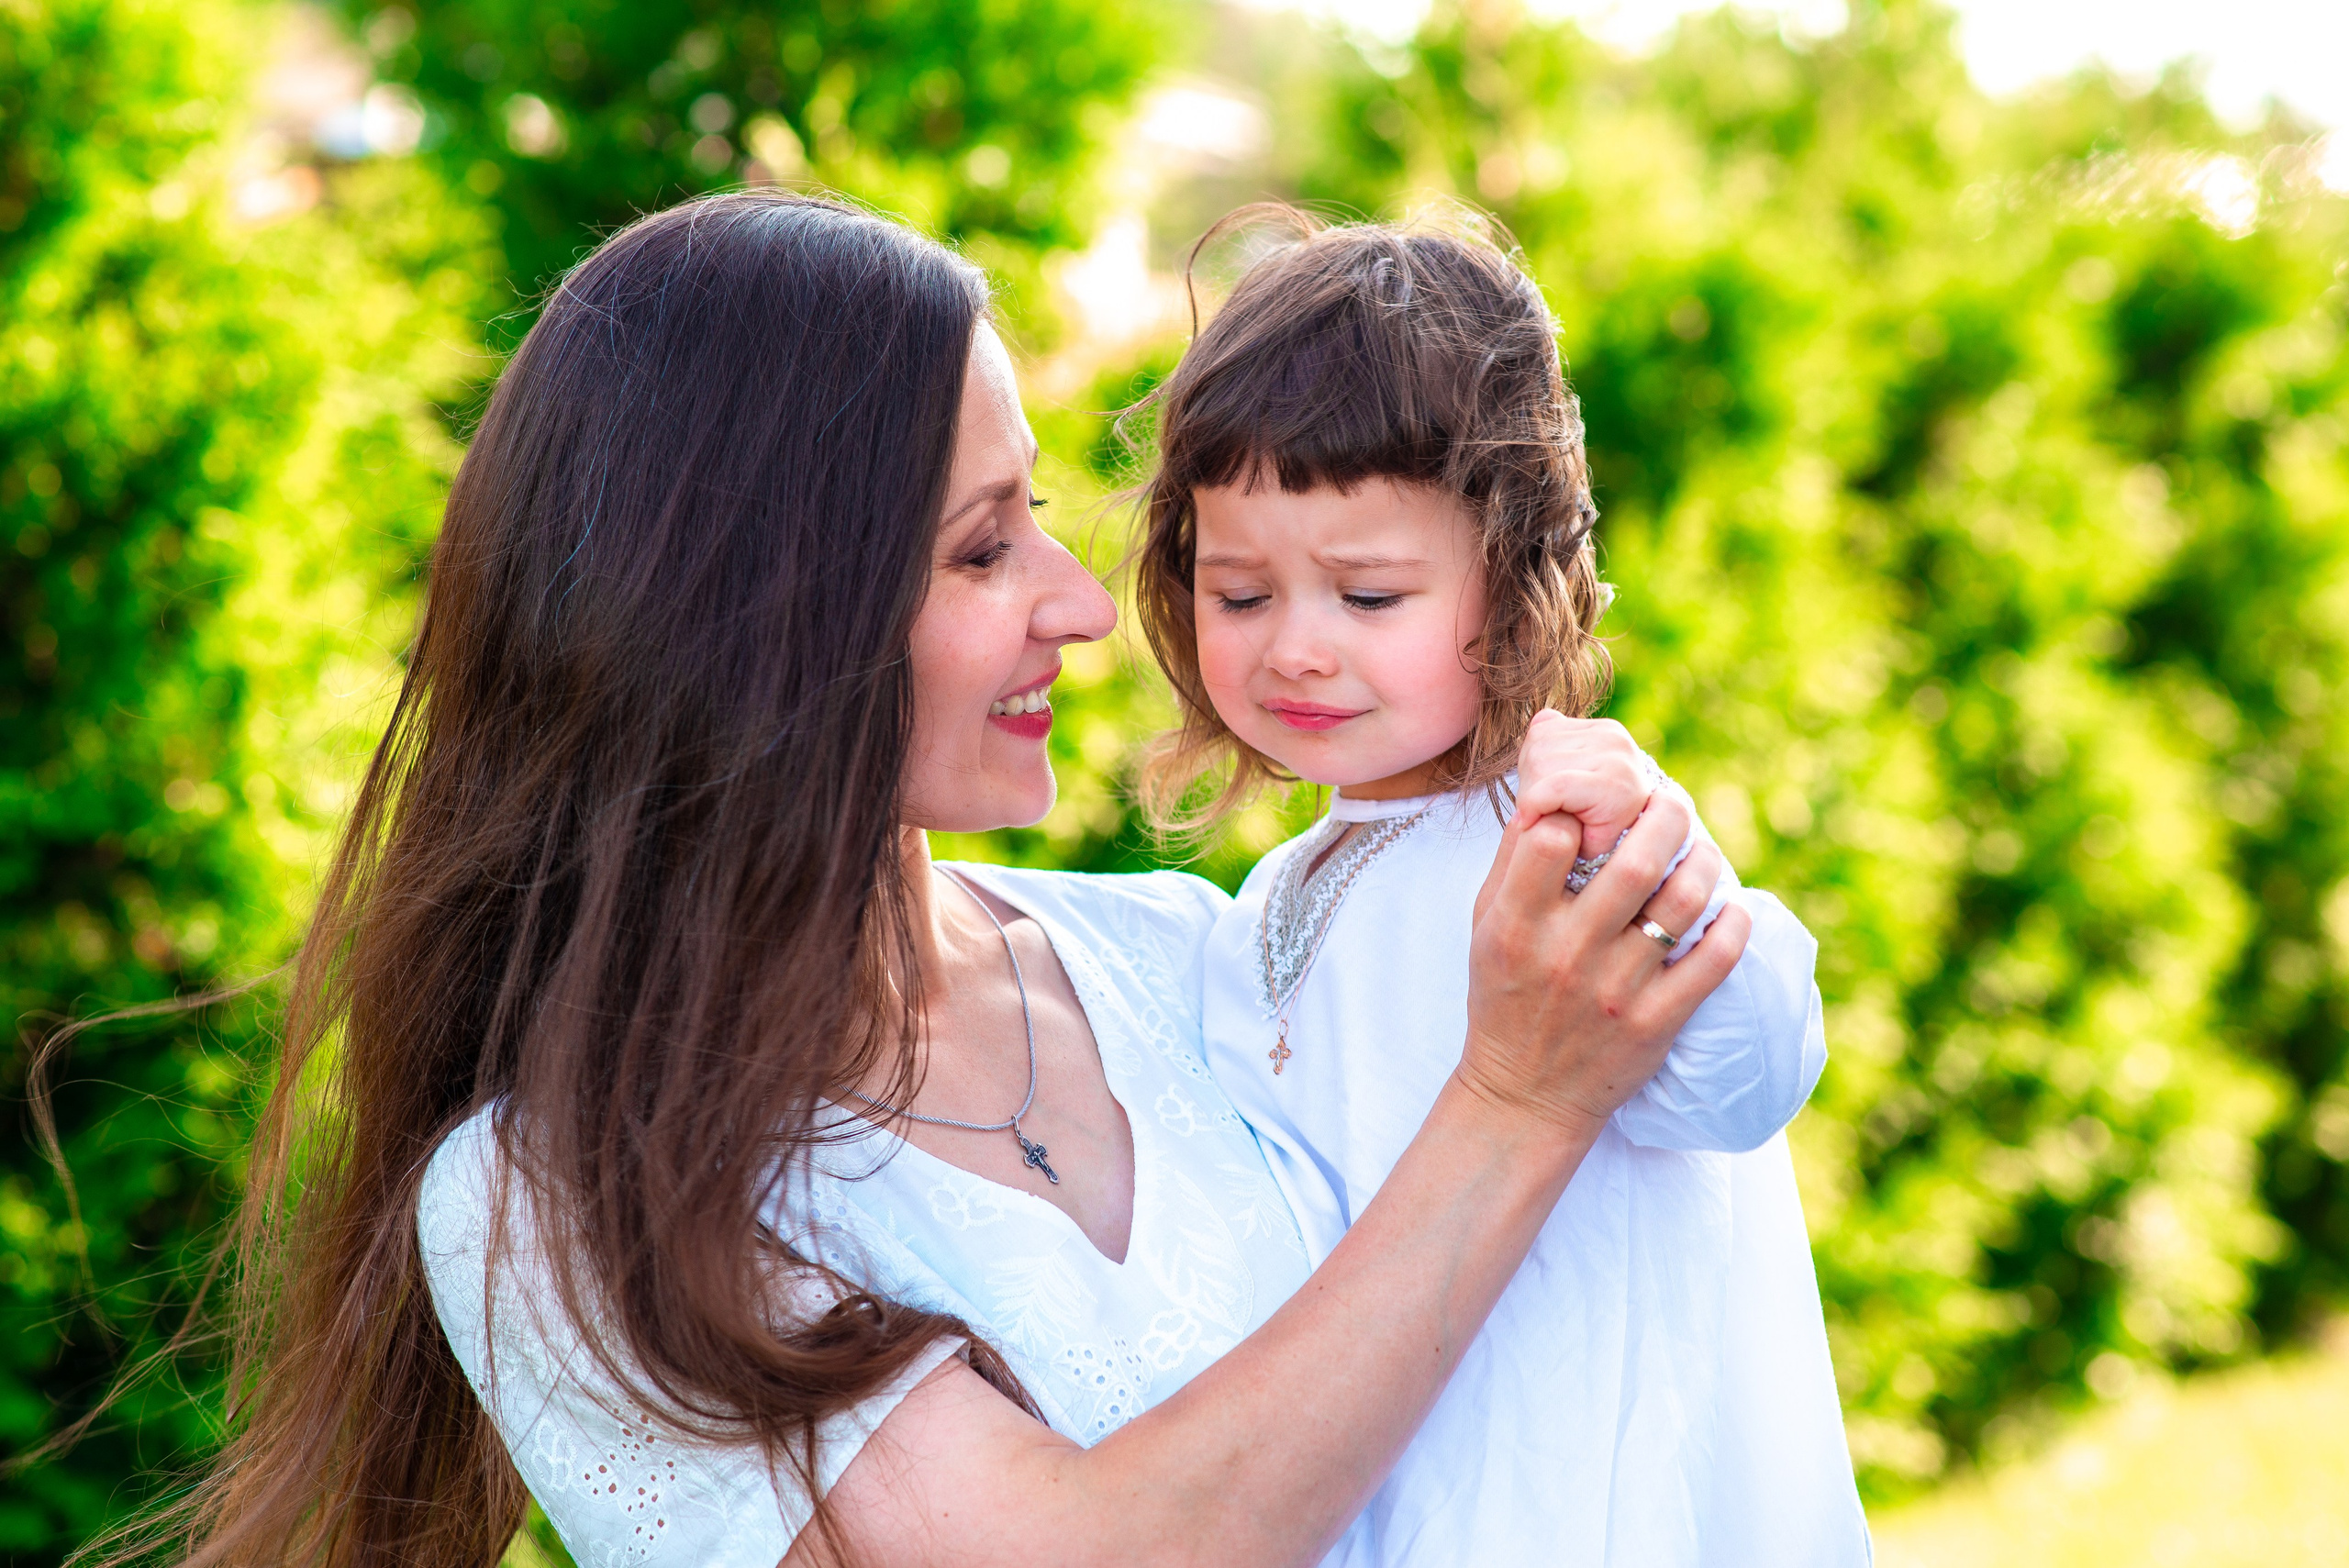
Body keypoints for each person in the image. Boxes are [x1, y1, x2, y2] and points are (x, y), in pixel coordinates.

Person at [144, 191, 1752, 1568]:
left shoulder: (1191, 959)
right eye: (984, 550)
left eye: (1039, 520)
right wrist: (1521, 1101)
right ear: (763, 625)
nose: (1081, 601)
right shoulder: (557, 1198)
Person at [1131, 208, 1871, 1566]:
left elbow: (1753, 1072)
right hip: (1364, 1497)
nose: (1296, 647)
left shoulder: (1553, 843)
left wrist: (1664, 857)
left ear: (1514, 573)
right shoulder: (1270, 900)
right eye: (1240, 593)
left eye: (1366, 596)